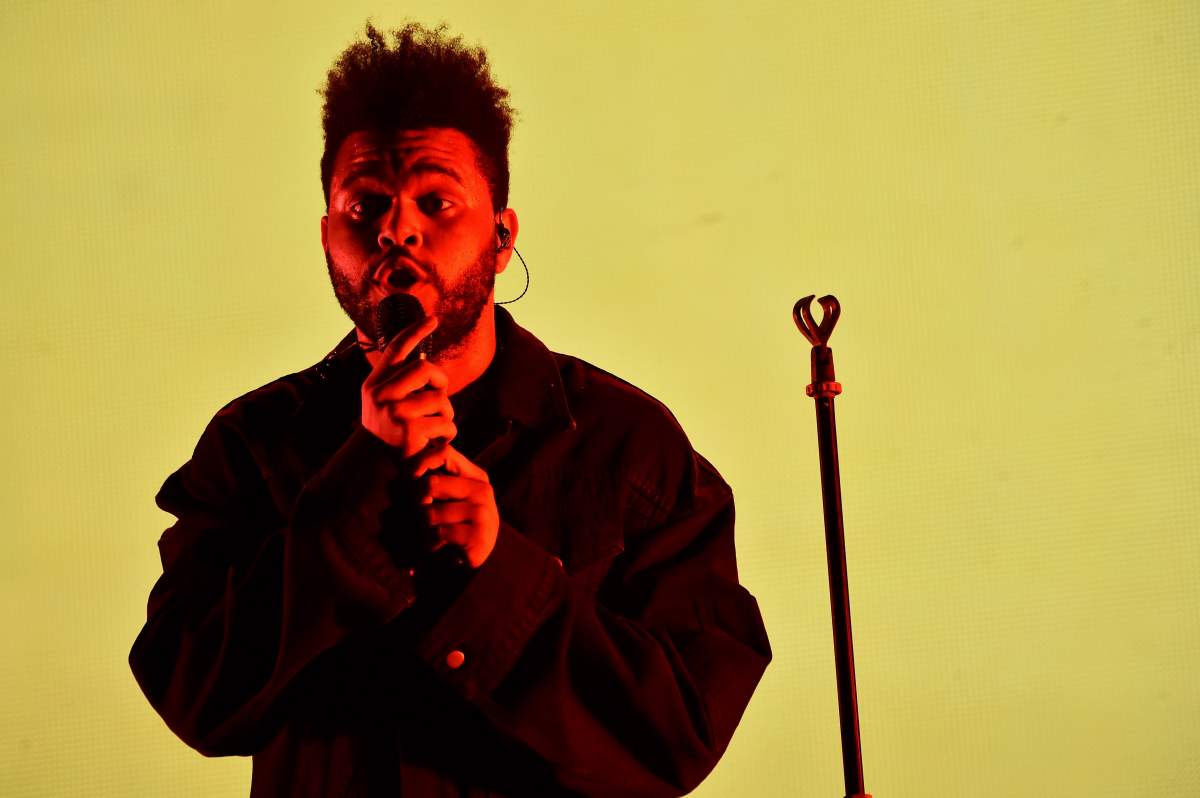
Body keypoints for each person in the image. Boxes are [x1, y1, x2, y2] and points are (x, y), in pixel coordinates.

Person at [129, 21, 771, 797]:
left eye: (436, 202)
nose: (397, 230)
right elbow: (196, 699)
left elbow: (680, 734)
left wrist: (498, 569)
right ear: (327, 235)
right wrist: (355, 487)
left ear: (501, 238)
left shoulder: (625, 449)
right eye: (365, 206)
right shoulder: (255, 445)